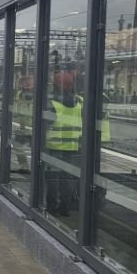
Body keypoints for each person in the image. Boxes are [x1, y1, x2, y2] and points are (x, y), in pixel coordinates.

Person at [43, 71, 82, 217]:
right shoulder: (79, 101)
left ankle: (52, 206)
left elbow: (46, 124)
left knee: (53, 177)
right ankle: (65, 208)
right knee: (67, 178)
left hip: (53, 146)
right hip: (72, 146)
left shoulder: (52, 103)